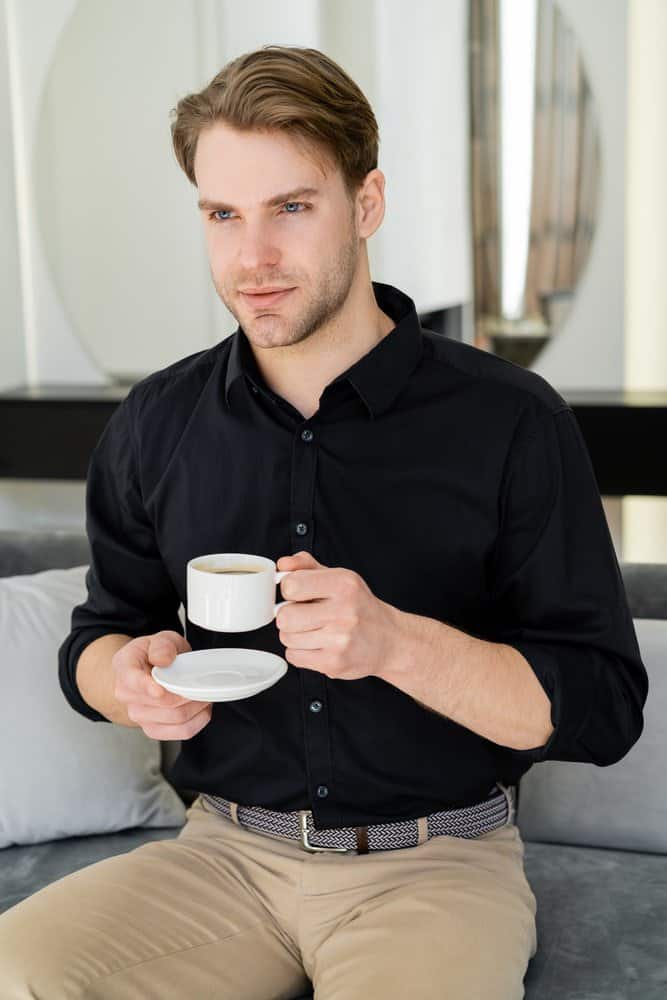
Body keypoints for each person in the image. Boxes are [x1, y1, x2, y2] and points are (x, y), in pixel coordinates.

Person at [0, 44, 648, 1000]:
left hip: (438, 865)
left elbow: (600, 708)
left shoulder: (511, 421)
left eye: (291, 208)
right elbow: (99, 637)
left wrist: (394, 643)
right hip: (220, 855)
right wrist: (127, 681)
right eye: (223, 215)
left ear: (367, 204)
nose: (251, 258)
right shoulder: (157, 422)